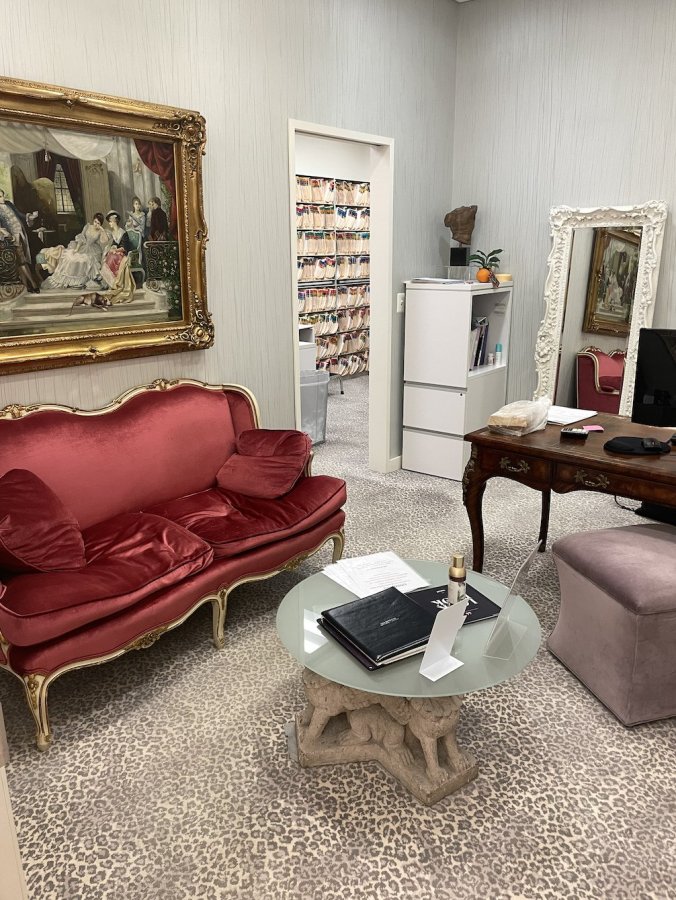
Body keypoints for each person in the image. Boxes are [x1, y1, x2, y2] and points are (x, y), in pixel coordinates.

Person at [41, 213, 110, 290]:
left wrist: (102, 230)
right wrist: (77, 249)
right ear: (93, 220)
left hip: (92, 250)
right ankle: (67, 280)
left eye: (98, 223)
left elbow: (105, 241)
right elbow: (81, 238)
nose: (96, 224)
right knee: (70, 258)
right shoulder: (87, 226)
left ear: (101, 224)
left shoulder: (100, 231)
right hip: (82, 247)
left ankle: (79, 282)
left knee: (86, 261)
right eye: (95, 222)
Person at [0, 189, 40, 293]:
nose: (2, 199)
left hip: (20, 233)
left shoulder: (8, 204)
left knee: (21, 261)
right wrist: (6, 234)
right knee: (21, 261)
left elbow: (19, 214)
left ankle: (25, 286)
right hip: (11, 237)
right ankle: (33, 284)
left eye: (2, 196)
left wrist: (30, 216)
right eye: (0, 197)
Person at [99, 210, 135, 303]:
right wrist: (113, 248)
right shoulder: (114, 232)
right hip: (116, 253)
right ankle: (110, 283)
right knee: (108, 256)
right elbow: (114, 244)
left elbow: (125, 247)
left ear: (114, 221)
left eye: (110, 222)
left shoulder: (123, 233)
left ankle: (115, 284)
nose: (109, 224)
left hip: (123, 254)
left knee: (112, 257)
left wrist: (116, 250)